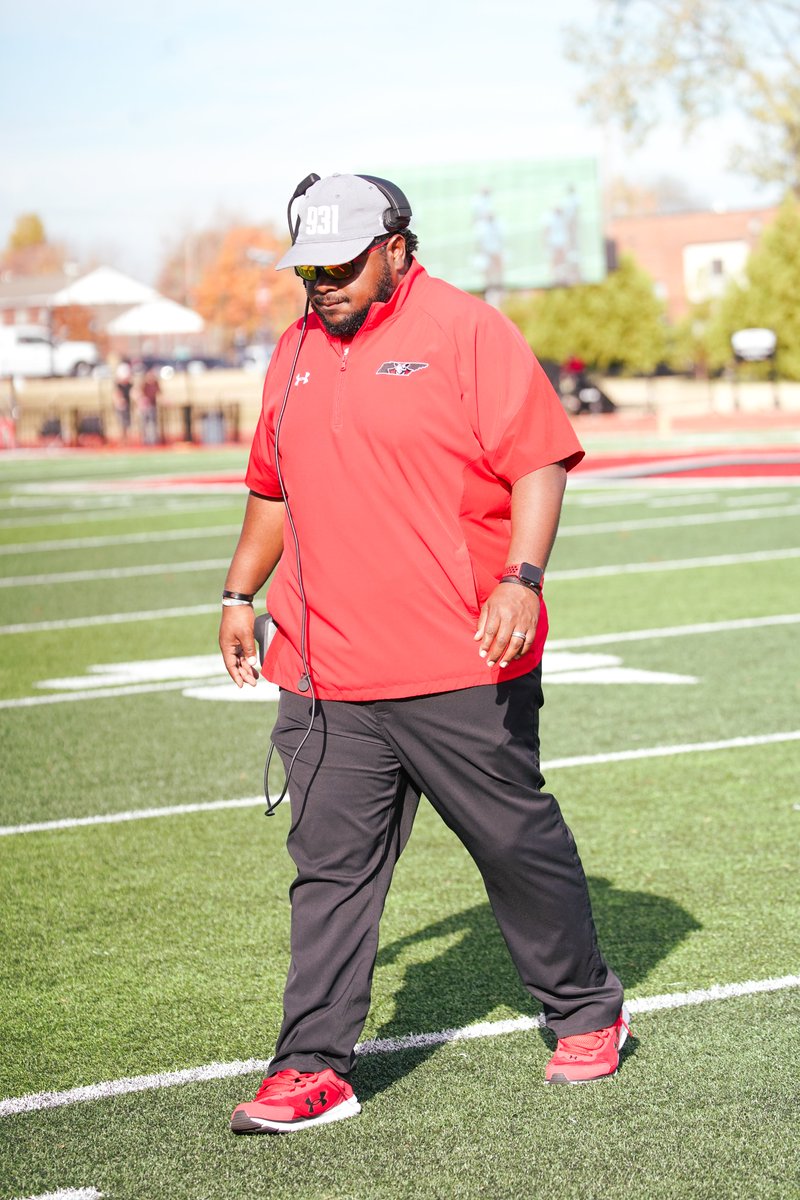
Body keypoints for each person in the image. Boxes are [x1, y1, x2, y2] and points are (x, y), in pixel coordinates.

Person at [219, 173, 628, 1136]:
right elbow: (271, 490)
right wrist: (240, 593)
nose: (322, 281)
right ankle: (311, 1066)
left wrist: (520, 579)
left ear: (398, 248)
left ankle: (584, 1012)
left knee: (514, 847)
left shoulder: (467, 331)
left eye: (343, 263)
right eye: (308, 265)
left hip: (461, 660)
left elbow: (536, 461)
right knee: (329, 873)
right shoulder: (294, 350)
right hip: (326, 673)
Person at [137, 367, 161, 445]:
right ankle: (145, 440)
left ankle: (153, 440)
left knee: (153, 424)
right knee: (144, 424)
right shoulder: (143, 384)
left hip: (152, 406)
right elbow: (137, 394)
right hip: (144, 408)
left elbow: (159, 394)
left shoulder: (156, 384)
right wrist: (142, 400)